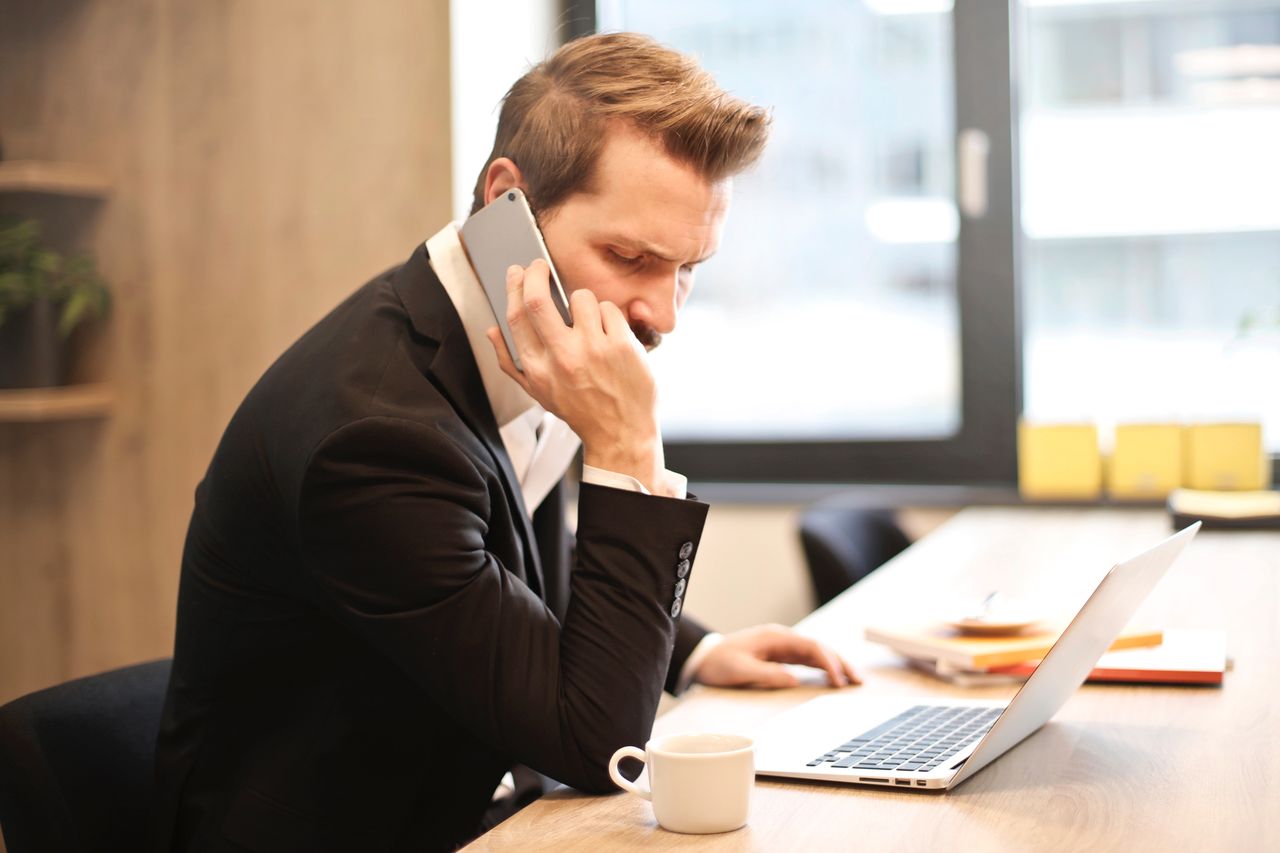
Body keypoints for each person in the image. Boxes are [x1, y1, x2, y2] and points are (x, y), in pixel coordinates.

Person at [153, 32, 858, 853]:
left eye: (688, 268)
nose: (663, 314)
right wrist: (627, 448)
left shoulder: (519, 328)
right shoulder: (374, 438)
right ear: (505, 205)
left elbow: (516, 553)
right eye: (629, 256)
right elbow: (600, 744)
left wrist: (693, 652)